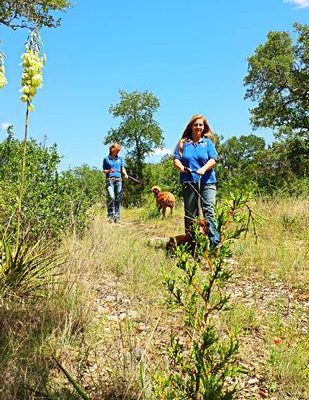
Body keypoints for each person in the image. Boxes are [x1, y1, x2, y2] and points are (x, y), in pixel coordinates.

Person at [173, 114, 220, 247]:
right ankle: (191, 244)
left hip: (207, 181)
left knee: (209, 210)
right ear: (191, 127)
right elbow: (176, 159)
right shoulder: (183, 143)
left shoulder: (208, 143)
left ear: (204, 127)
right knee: (190, 213)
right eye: (196, 124)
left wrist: (204, 169)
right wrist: (182, 167)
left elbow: (213, 159)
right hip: (189, 181)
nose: (198, 127)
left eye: (201, 125)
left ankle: (214, 243)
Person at [102, 143, 128, 223]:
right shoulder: (106, 159)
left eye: (118, 151)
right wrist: (109, 171)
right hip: (110, 180)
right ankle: (110, 215)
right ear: (112, 150)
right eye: (117, 150)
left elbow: (122, 168)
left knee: (118, 198)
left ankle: (117, 217)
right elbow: (104, 170)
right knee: (111, 197)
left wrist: (125, 174)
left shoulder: (120, 159)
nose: (118, 152)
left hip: (118, 180)